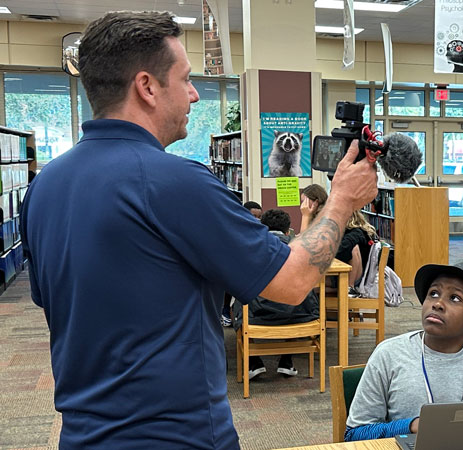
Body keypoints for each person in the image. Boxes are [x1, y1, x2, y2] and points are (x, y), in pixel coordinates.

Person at [19, 11, 377, 450]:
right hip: (177, 435)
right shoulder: (175, 182)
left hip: (82, 435)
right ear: (147, 86)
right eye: (185, 79)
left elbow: (57, 300)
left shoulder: (43, 188)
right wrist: (341, 200)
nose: (193, 95)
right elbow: (293, 282)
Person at [344, 259, 463, 441]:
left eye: (455, 298)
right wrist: (411, 426)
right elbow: (354, 434)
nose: (437, 304)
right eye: (434, 293)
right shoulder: (389, 354)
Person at [236, 209, 319, 379]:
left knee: (240, 296)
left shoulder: (250, 249)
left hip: (259, 317)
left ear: (263, 228)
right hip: (299, 317)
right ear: (288, 231)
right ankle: (286, 361)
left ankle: (253, 362)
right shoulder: (304, 252)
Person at [336, 211, 379, 289]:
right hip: (356, 276)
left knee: (312, 283)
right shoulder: (362, 231)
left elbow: (340, 252)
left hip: (351, 278)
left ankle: (347, 290)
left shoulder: (355, 235)